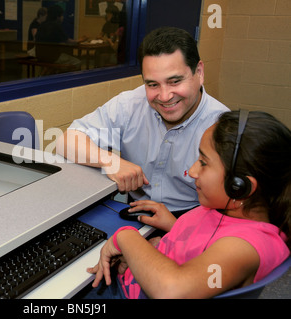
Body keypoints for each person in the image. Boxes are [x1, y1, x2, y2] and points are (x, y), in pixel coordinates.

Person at [84, 110, 291, 299]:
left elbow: (172, 291)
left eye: (203, 162)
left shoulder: (245, 247)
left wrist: (127, 238)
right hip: (133, 279)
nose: (192, 171)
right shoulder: (228, 213)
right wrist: (172, 231)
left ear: (239, 186)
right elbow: (209, 247)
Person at [55, 27, 229, 217]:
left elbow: (231, 210)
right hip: (133, 211)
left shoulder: (221, 125)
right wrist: (110, 161)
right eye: (153, 84)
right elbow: (66, 141)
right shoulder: (130, 103)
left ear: (200, 72)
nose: (164, 96)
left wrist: (176, 232)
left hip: (194, 219)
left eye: (175, 81)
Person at [35, 5, 88, 70]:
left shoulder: (42, 25)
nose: (63, 17)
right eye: (62, 15)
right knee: (77, 62)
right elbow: (69, 42)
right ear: (58, 17)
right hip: (52, 57)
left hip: (40, 56)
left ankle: (56, 74)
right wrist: (80, 40)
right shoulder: (56, 26)